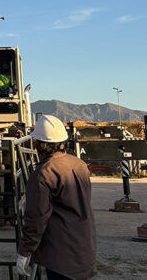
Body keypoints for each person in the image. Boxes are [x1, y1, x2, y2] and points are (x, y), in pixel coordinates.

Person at [16, 115, 96, 280]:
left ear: (42, 145)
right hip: (84, 249)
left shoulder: (44, 173)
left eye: (37, 141)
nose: (35, 144)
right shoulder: (79, 165)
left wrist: (25, 251)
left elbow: (36, 218)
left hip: (61, 256)